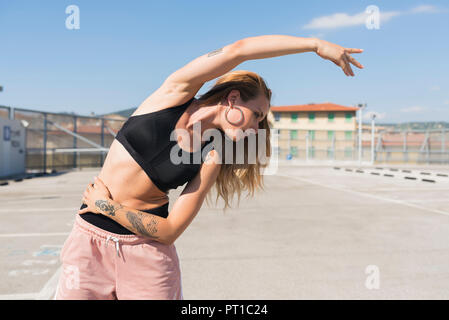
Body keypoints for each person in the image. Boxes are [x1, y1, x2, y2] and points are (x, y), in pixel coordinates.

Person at [55, 34, 364, 300]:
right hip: (88, 245)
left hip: (146, 254)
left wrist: (106, 206)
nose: (256, 128)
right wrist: (314, 44)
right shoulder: (173, 94)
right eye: (256, 114)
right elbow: (238, 50)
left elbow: (169, 231)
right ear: (232, 99)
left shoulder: (211, 157)